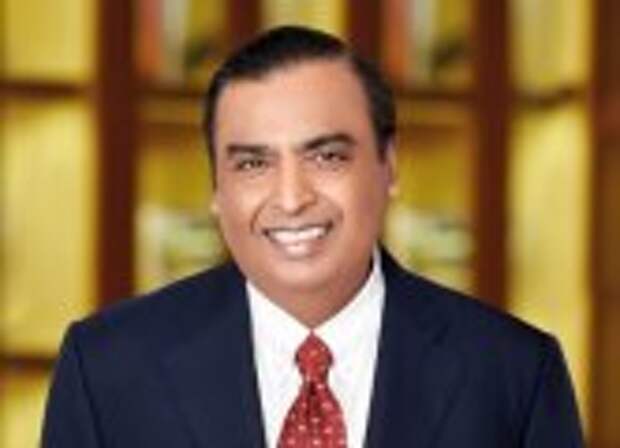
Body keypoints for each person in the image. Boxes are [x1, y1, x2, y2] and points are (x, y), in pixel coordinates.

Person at [42, 26, 584, 447]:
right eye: (253, 164)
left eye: (326, 157)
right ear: (216, 188)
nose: (291, 198)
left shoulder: (514, 374)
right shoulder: (108, 369)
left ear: (389, 166)